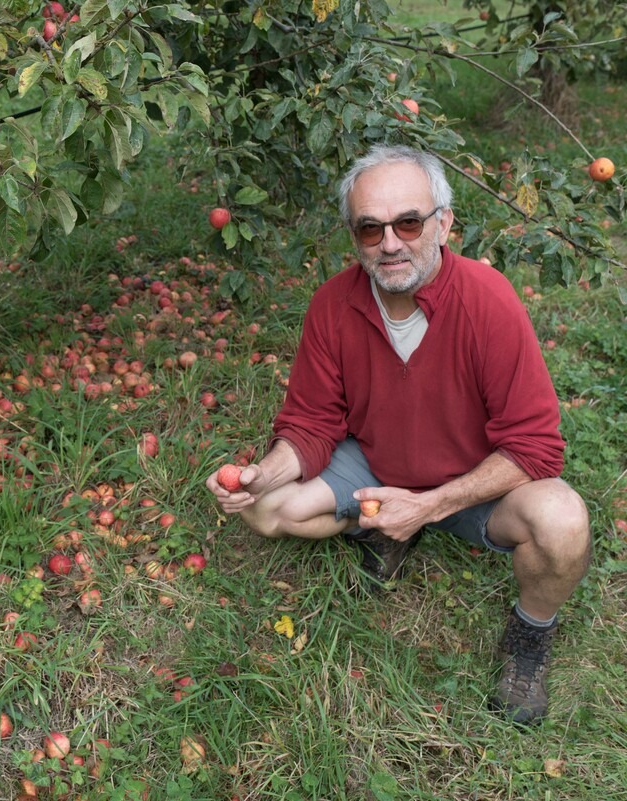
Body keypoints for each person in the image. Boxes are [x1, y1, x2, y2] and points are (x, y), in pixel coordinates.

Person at [205, 145, 590, 726]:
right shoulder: (333, 305)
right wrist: (266, 473)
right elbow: (312, 422)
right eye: (370, 228)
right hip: (378, 467)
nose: (390, 242)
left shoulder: (489, 301)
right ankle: (387, 526)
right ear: (352, 235)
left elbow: (535, 446)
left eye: (409, 222)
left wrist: (433, 504)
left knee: (562, 522)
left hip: (472, 481)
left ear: (443, 223)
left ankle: (530, 635)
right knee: (266, 509)